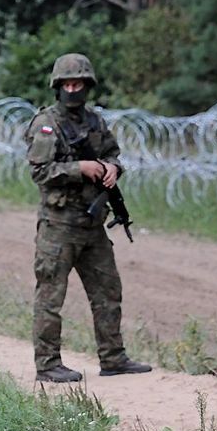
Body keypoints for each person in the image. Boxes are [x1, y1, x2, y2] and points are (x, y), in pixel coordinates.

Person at [24, 53, 152, 383]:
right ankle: (48, 364)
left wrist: (112, 169)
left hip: (92, 224)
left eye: (78, 83)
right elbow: (40, 171)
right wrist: (79, 168)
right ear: (57, 87)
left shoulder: (95, 122)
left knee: (108, 292)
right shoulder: (46, 124)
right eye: (67, 83)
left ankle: (113, 358)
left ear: (87, 85)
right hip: (59, 224)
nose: (72, 89)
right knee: (51, 296)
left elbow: (112, 153)